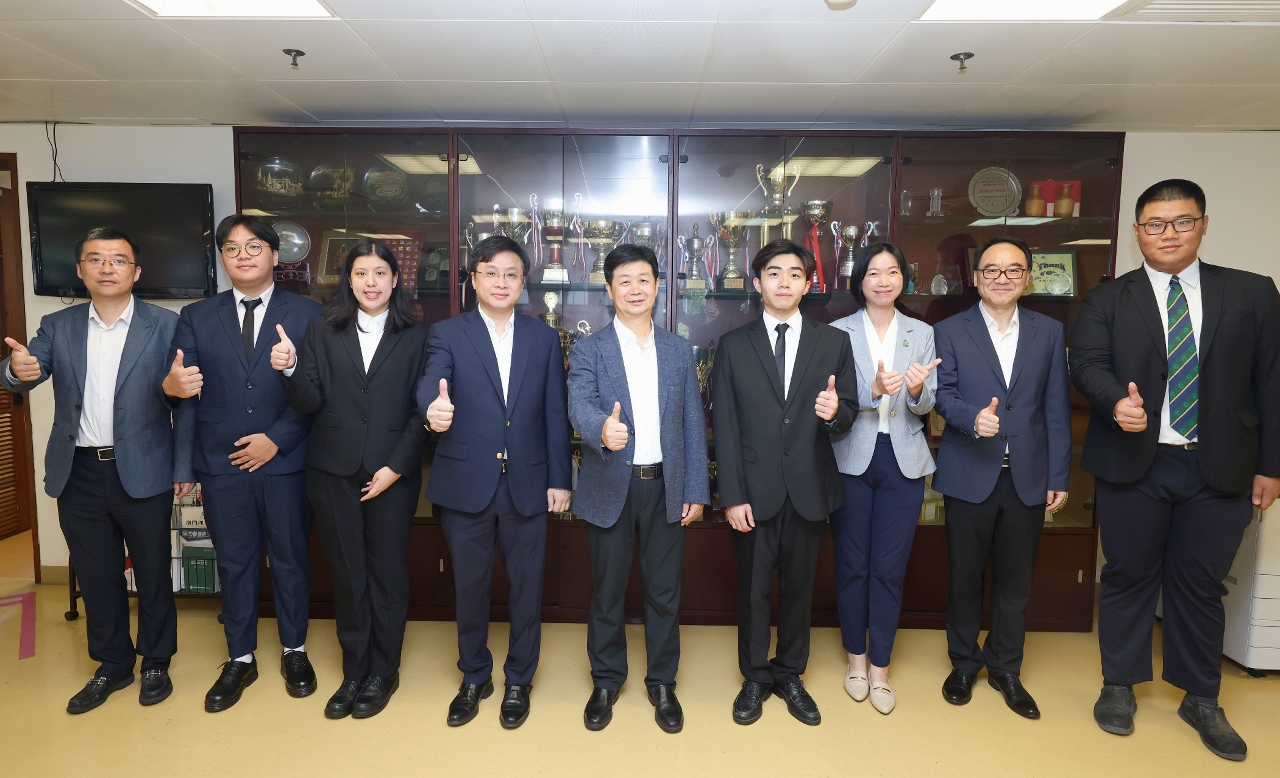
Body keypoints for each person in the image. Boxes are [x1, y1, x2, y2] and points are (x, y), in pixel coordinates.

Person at [1070, 179, 1280, 762]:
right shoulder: (1108, 298)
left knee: (1201, 585)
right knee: (1127, 576)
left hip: (1221, 466)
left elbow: (1272, 381)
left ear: (1204, 225)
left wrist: (1272, 466)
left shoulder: (1252, 292)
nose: (1169, 234)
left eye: (1182, 222)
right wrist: (1116, 402)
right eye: (1155, 224)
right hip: (1134, 464)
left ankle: (1201, 697)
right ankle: (1119, 685)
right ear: (1137, 232)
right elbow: (1086, 363)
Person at [1, 227, 193, 714]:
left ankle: (156, 660)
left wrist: (181, 442)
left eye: (119, 260)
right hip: (79, 471)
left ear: (136, 271)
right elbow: (26, 371)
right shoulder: (56, 325)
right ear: (81, 270)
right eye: (96, 259)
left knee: (153, 571)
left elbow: (185, 396)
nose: (108, 268)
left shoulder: (165, 325)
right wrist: (16, 371)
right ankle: (112, 663)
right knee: (96, 574)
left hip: (145, 468)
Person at [165, 214, 322, 712]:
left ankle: (294, 650)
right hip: (223, 461)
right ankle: (240, 657)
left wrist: (276, 440)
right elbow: (181, 389)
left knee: (291, 559)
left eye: (254, 246)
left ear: (275, 255)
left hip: (287, 461)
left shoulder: (309, 313)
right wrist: (171, 390)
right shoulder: (197, 315)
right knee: (234, 563)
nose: (243, 255)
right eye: (232, 248)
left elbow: (319, 392)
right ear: (222, 258)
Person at [271, 239, 430, 720]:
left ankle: (384, 671)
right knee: (347, 573)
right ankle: (355, 670)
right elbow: (308, 402)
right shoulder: (323, 329)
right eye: (361, 273)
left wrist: (395, 467)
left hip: (392, 472)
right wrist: (290, 368)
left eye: (380, 273)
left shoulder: (418, 335)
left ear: (396, 279)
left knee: (387, 573)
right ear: (349, 280)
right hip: (332, 470)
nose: (371, 282)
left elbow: (421, 411)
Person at [419, 235, 572, 729]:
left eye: (511, 274)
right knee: (470, 586)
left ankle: (519, 679)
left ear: (522, 283)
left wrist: (560, 478)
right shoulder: (446, 333)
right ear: (473, 279)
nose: (501, 282)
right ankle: (474, 676)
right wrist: (433, 408)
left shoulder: (542, 337)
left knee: (527, 589)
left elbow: (555, 413)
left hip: (529, 482)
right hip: (466, 482)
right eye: (490, 272)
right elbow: (432, 382)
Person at [711, 238, 857, 727]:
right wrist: (732, 496)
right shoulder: (733, 345)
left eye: (795, 274)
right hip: (753, 491)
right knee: (753, 591)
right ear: (757, 283)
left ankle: (790, 672)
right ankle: (755, 675)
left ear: (808, 284)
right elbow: (725, 426)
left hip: (810, 488)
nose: (784, 282)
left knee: (800, 589)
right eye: (774, 273)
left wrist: (835, 412)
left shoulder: (833, 342)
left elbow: (848, 413)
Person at [567, 244, 710, 734]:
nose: (634, 289)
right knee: (606, 591)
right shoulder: (589, 349)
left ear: (657, 286)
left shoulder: (677, 349)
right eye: (624, 281)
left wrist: (696, 488)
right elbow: (579, 405)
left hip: (665, 486)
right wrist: (600, 430)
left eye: (643, 279)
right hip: (611, 485)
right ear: (609, 290)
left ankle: (662, 682)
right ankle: (606, 680)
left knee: (665, 592)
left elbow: (692, 423)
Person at [931, 235, 1070, 720]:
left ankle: (1006, 668)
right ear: (975, 278)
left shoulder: (1049, 331)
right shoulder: (949, 329)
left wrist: (1058, 474)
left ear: (1027, 278)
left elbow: (1057, 408)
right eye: (991, 270)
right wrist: (971, 418)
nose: (1002, 278)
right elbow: (941, 394)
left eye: (1013, 270)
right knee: (964, 576)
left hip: (1028, 475)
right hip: (970, 471)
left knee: (1016, 581)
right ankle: (964, 663)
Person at [828, 242, 941, 715]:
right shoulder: (838, 332)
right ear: (860, 280)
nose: (883, 281)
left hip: (903, 460)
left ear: (903, 279)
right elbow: (833, 400)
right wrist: (871, 391)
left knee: (890, 569)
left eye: (892, 271)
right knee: (853, 565)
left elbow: (927, 402)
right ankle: (855, 661)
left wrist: (915, 390)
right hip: (851, 458)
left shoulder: (921, 331)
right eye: (873, 272)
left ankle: (880, 668)